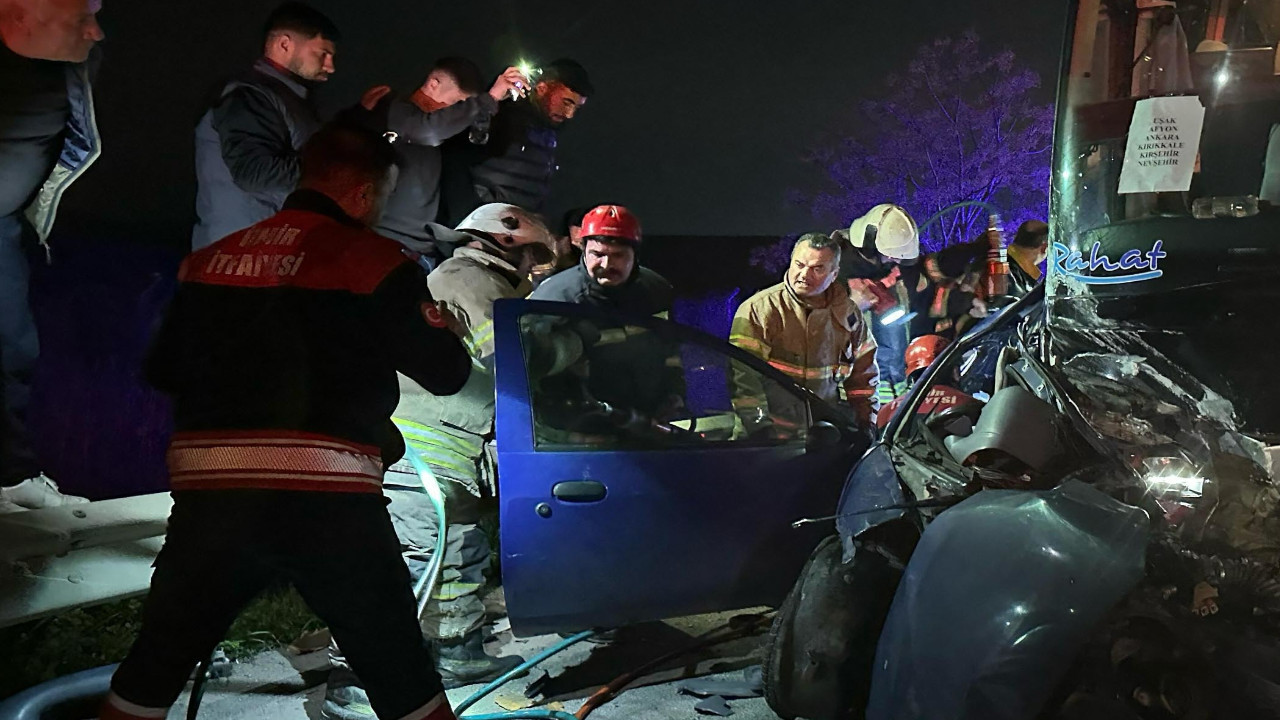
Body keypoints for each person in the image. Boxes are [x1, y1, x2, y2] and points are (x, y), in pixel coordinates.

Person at [102, 124, 471, 720]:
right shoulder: (373, 261)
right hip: (330, 505)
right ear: (363, 193)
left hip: (213, 505)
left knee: (154, 666)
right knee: (399, 673)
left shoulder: (208, 262)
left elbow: (164, 369)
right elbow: (447, 373)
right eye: (381, 198)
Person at [322, 203, 551, 718]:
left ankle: (455, 650)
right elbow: (511, 363)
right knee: (410, 563)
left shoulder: (482, 283)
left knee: (459, 554)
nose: (538, 268)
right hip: (425, 451)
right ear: (509, 244)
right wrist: (569, 348)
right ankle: (353, 678)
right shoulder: (469, 281)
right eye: (536, 255)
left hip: (455, 448)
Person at [0, 0, 104, 512]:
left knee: (13, 349)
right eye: (79, 20)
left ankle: (10, 477)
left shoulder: (74, 65)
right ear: (16, 16)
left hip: (3, 227)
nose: (97, 31)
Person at [352, 58, 529, 269]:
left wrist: (499, 103)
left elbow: (480, 143)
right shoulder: (396, 111)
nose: (456, 115)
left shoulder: (445, 134)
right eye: (456, 104)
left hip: (422, 253)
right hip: (381, 246)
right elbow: (430, 130)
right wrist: (488, 98)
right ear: (433, 84)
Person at [191, 2, 339, 250]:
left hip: (267, 254)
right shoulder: (248, 97)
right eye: (322, 54)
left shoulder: (288, 99)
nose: (330, 66)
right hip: (238, 258)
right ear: (284, 44)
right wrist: (334, 171)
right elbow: (255, 173)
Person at [529, 204, 683, 425]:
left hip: (649, 417)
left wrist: (674, 394)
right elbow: (536, 366)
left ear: (635, 254)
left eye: (618, 255)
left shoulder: (656, 290)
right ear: (584, 250)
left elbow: (671, 348)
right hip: (583, 422)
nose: (607, 264)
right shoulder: (557, 297)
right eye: (597, 254)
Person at [731, 233, 877, 432]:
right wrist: (760, 429)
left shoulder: (849, 315)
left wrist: (866, 423)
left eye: (817, 269)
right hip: (768, 439)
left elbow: (864, 376)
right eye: (799, 265)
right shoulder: (759, 310)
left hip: (823, 436)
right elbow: (743, 379)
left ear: (834, 274)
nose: (804, 275)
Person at [439, 58, 592, 224]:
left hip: (513, 235)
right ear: (542, 89)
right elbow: (456, 160)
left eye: (576, 108)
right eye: (566, 102)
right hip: (481, 230)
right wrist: (470, 222)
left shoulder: (547, 133)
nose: (570, 114)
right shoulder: (503, 116)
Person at [836, 204, 921, 409]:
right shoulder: (834, 268)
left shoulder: (890, 270)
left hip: (893, 385)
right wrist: (853, 305)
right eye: (891, 254)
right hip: (856, 396)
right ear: (869, 244)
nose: (896, 260)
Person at [917, 219, 1048, 339]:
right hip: (969, 351)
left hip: (945, 346)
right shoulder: (1018, 284)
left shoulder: (983, 260)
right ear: (1044, 247)